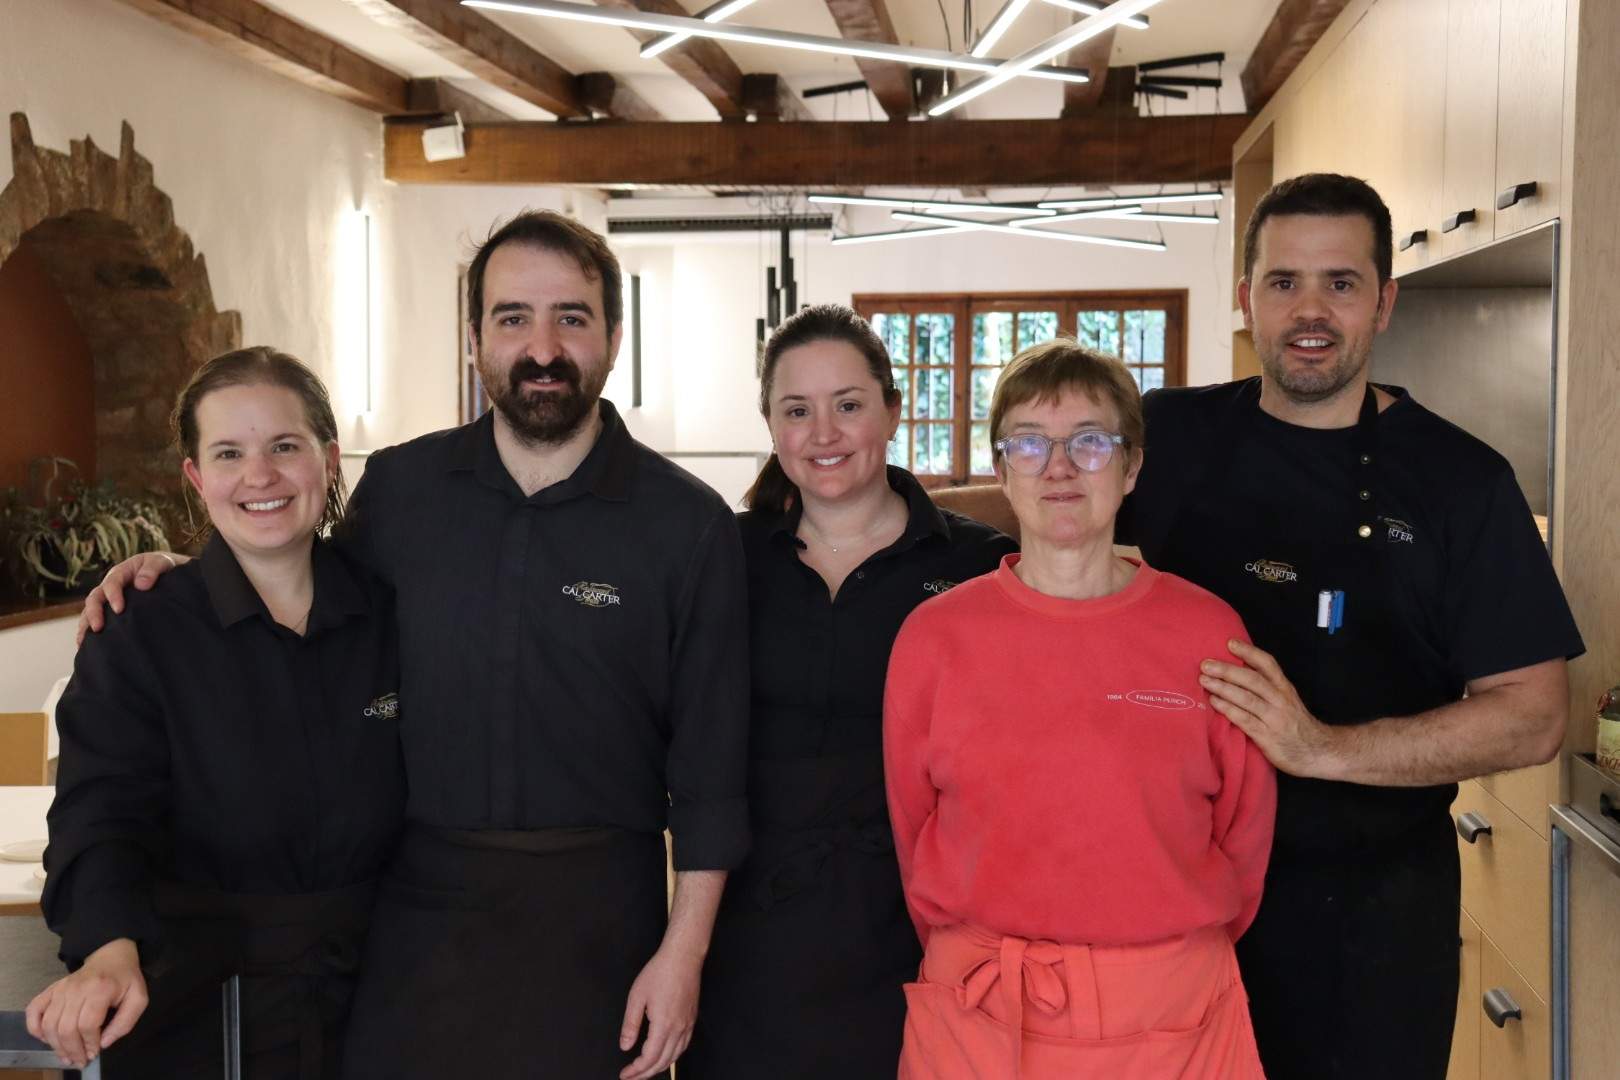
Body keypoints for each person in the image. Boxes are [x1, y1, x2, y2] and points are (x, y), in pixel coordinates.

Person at [77, 211, 750, 1080]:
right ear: (475, 340)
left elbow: (711, 772)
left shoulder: (687, 524)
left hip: (600, 920)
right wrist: (187, 568)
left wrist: (683, 954)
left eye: (570, 319)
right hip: (412, 921)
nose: (541, 347)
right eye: (512, 318)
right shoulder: (402, 489)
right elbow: (305, 592)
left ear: (614, 339)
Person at [1120, 172, 1585, 1078]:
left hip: (1367, 915)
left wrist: (1320, 746)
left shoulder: (1461, 483)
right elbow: (1047, 506)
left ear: (1385, 302)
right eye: (1285, 282)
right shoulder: (1166, 435)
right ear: (1246, 297)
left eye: (1342, 282)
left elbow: (1533, 713)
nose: (1311, 310)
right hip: (1171, 894)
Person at [883, 340, 1277, 1078]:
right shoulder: (933, 639)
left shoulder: (1208, 633)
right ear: (1001, 469)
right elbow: (913, 829)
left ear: (1131, 467)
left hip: (1177, 1015)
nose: (1058, 467)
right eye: (1030, 443)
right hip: (978, 1012)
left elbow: (1246, 834)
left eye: (1090, 442)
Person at [27, 347, 404, 1078]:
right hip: (198, 1009)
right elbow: (98, 814)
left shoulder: (392, 612)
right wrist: (107, 949)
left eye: (284, 447)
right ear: (197, 479)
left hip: (382, 1001)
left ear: (328, 461)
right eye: (229, 453)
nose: (259, 476)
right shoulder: (139, 632)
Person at [680, 305, 1014, 1079]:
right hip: (748, 940)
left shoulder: (978, 564)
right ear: (770, 424)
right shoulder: (725, 559)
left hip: (917, 941)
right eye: (798, 410)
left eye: (849, 405)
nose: (824, 433)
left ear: (891, 411)